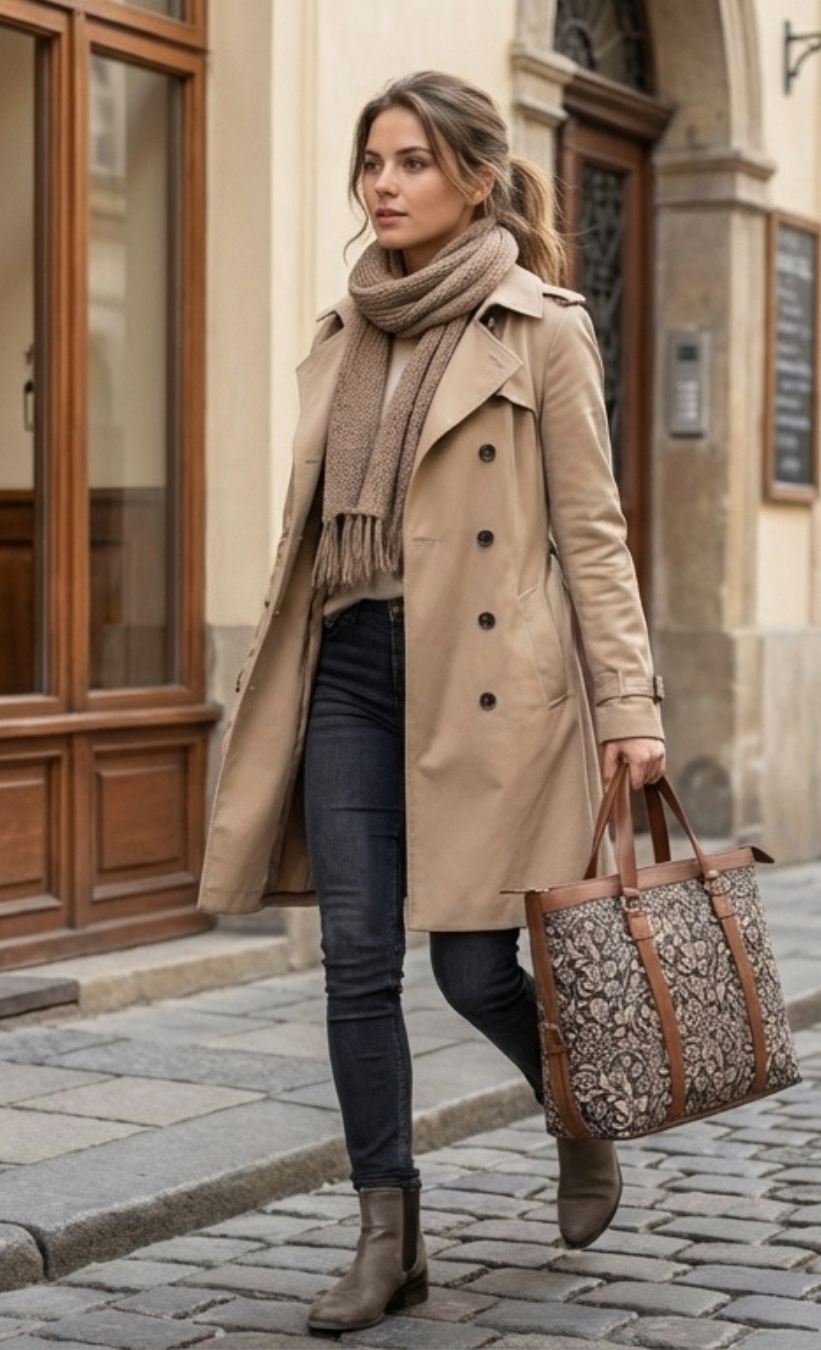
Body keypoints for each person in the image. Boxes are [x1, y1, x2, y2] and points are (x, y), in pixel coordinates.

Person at [197, 69, 665, 1334]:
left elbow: (594, 531)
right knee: (355, 959)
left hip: (493, 688)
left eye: (409, 163)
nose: (383, 185)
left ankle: (577, 1107)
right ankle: (386, 1236)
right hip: (349, 663)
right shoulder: (345, 327)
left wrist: (632, 706)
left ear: (472, 178)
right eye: (372, 163)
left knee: (469, 967)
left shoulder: (541, 327)